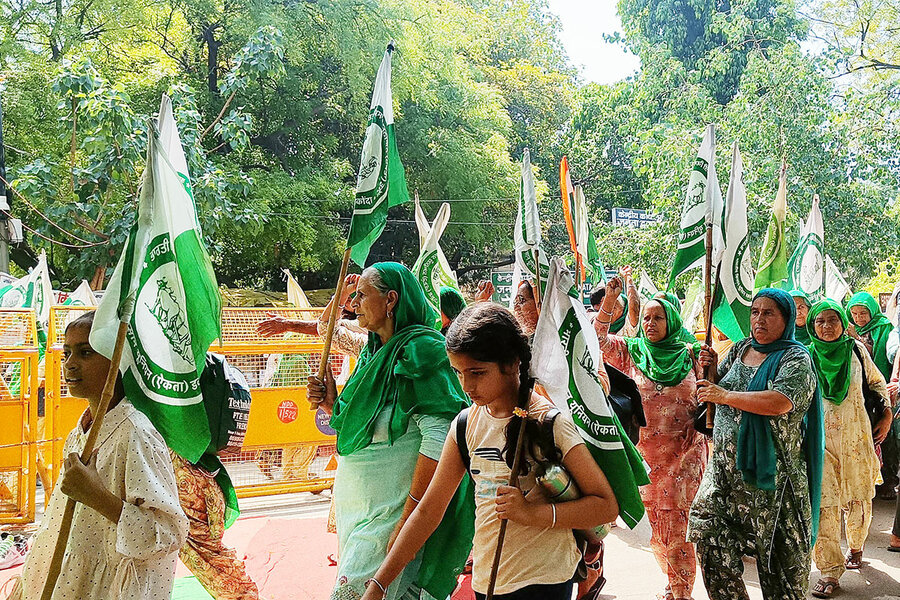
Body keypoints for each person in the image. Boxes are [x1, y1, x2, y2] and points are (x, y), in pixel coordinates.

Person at [359, 303, 619, 600]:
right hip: (489, 582)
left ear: (511, 363)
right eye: (458, 373)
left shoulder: (549, 423)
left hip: (545, 581)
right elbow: (429, 511)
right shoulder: (466, 425)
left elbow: (605, 506)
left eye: (477, 373)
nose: (467, 385)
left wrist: (532, 514)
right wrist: (379, 585)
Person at [306, 262, 472, 600]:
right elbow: (359, 427)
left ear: (391, 300)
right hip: (361, 511)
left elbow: (441, 437)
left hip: (394, 513)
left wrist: (410, 517)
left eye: (363, 294)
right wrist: (330, 401)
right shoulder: (372, 352)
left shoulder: (421, 351)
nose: (354, 302)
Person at [9, 311, 188, 600]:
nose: (70, 364)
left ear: (117, 360)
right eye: (67, 352)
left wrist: (97, 497)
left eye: (85, 352)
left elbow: (167, 534)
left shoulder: (136, 434)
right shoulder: (80, 432)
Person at [687, 288, 823, 600]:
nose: (758, 319)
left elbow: (780, 401)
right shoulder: (740, 349)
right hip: (724, 478)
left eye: (768, 313)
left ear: (786, 319)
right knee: (710, 545)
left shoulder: (796, 357)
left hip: (775, 486)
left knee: (783, 580)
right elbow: (713, 390)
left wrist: (724, 396)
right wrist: (709, 368)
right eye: (755, 312)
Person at [596, 277, 706, 600]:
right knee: (656, 530)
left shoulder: (693, 355)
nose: (650, 323)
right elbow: (596, 341)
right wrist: (609, 303)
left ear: (671, 320)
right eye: (645, 317)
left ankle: (683, 591)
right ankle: (672, 582)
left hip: (685, 456)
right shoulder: (631, 352)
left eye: (658, 317)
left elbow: (713, 393)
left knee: (678, 526)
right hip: (646, 459)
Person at [805, 299, 891, 597]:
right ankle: (829, 571)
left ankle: (856, 545)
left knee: (859, 501)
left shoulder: (857, 352)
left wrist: (887, 415)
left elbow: (878, 385)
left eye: (833, 320)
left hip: (857, 441)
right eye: (820, 321)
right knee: (824, 506)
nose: (827, 326)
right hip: (820, 445)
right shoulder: (804, 358)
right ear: (811, 326)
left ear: (843, 324)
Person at [172, 453, 261, 600]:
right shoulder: (195, 460)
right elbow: (214, 500)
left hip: (192, 520)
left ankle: (239, 594)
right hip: (196, 519)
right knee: (210, 553)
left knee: (205, 555)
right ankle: (239, 593)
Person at [847, 291, 899, 501]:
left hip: (880, 388)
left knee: (885, 436)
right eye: (855, 313)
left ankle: (888, 482)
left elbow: (879, 358)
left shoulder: (884, 328)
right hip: (857, 392)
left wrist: (858, 339)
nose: (859, 318)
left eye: (863, 313)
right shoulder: (846, 330)